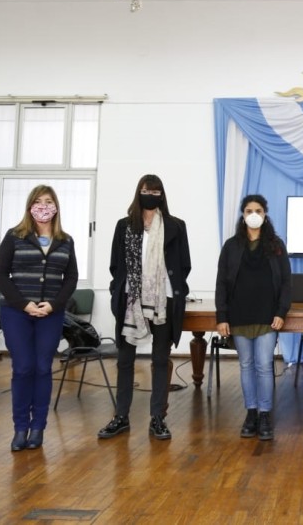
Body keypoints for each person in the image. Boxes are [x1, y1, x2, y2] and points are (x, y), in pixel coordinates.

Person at [98, 174, 191, 441]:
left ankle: (158, 419)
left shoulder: (176, 226)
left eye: (155, 189)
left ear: (161, 193)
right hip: (130, 301)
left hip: (163, 302)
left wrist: (170, 288)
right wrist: (121, 289)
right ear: (138, 192)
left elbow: (184, 265)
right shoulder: (124, 226)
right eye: (145, 189)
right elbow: (116, 265)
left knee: (160, 360)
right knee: (125, 361)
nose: (150, 193)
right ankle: (121, 417)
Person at [0, 185, 78, 451]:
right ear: (30, 206)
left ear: (56, 207)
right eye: (38, 201)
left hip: (50, 315)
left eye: (49, 201)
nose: (44, 206)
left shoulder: (65, 240)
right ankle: (20, 428)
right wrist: (24, 304)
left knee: (43, 368)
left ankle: (38, 427)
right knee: (23, 368)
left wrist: (53, 305)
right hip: (16, 313)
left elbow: (71, 278)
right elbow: (0, 274)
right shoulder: (15, 236)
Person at [215, 194, 291, 441]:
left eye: (258, 210)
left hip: (268, 317)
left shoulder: (276, 245)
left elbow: (287, 283)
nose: (253, 214)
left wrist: (281, 312)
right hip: (239, 316)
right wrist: (222, 316)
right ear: (243, 215)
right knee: (246, 366)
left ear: (265, 214)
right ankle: (251, 414)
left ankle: (266, 414)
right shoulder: (231, 246)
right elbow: (221, 284)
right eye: (249, 210)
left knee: (263, 366)